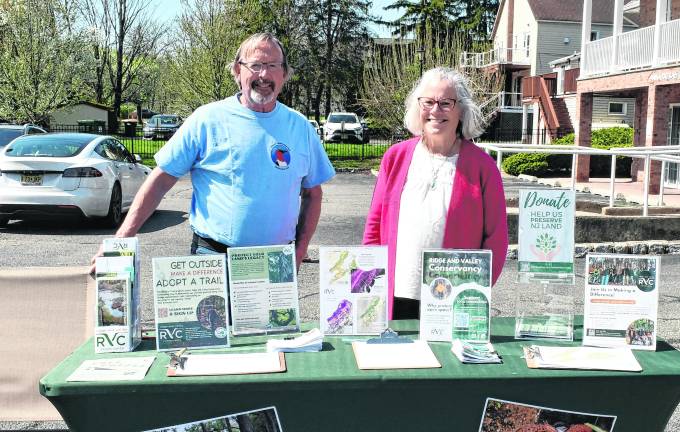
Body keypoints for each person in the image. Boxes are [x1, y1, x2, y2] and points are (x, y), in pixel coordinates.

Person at [91, 33, 335, 271]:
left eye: (272, 65)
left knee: (271, 316)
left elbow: (313, 194)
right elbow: (161, 180)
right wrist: (121, 241)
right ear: (238, 71)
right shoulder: (207, 119)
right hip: (213, 258)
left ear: (284, 74)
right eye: (256, 65)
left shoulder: (300, 127)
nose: (264, 74)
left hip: (276, 261)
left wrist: (300, 251)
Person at [363, 67, 508, 320]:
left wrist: (475, 293)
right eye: (428, 102)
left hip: (452, 299)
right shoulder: (395, 157)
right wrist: (370, 280)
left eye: (445, 103)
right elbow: (374, 227)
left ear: (461, 110)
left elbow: (496, 239)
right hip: (395, 294)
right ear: (417, 107)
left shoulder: (482, 167)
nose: (435, 111)